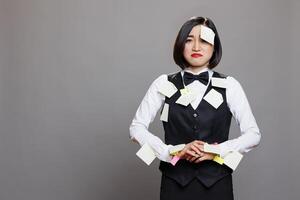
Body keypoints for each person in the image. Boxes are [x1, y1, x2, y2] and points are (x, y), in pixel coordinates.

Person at [129, 16, 261, 200]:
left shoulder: (230, 85)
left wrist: (215, 150)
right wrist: (171, 151)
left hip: (217, 184)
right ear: (180, 44)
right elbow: (136, 128)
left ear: (214, 46)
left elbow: (253, 135)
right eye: (189, 40)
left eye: (204, 40)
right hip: (174, 183)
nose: (197, 47)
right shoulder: (163, 83)